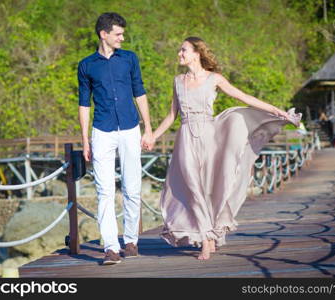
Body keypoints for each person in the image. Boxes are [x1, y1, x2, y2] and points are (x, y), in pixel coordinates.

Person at [151, 37, 301, 260]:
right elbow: (172, 115)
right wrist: (153, 135)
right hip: (185, 138)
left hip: (210, 137)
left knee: (210, 188)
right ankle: (205, 239)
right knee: (193, 188)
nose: (179, 54)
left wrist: (277, 111)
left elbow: (244, 97)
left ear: (196, 53)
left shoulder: (214, 79)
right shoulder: (178, 81)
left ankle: (210, 236)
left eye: (183, 50)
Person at [78, 12, 154, 265]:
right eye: (118, 33)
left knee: (132, 189)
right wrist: (85, 140)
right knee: (104, 191)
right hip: (101, 131)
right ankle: (111, 248)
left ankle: (131, 241)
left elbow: (140, 93)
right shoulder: (86, 65)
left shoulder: (129, 59)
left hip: (130, 128)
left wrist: (149, 129)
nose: (123, 37)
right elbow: (83, 104)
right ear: (104, 34)